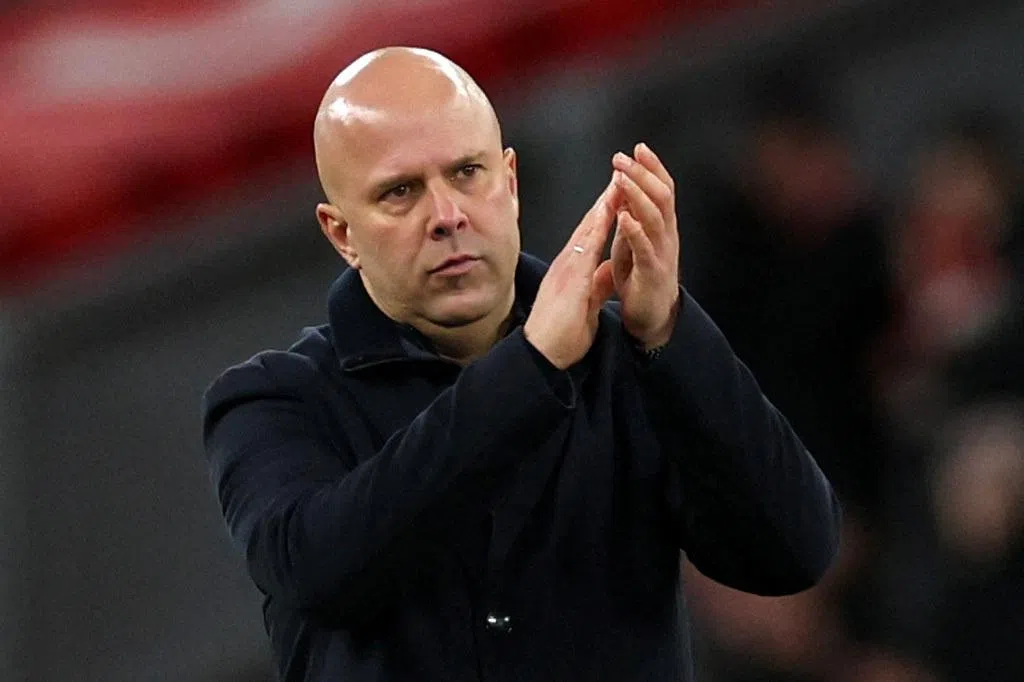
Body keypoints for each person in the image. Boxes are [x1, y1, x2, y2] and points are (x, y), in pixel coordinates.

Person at [201, 46, 841, 682]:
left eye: (466, 172)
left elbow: (795, 549)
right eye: (400, 192)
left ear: (509, 183)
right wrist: (532, 367)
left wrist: (666, 330)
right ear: (342, 234)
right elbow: (320, 570)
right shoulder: (273, 401)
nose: (447, 216)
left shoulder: (630, 359)